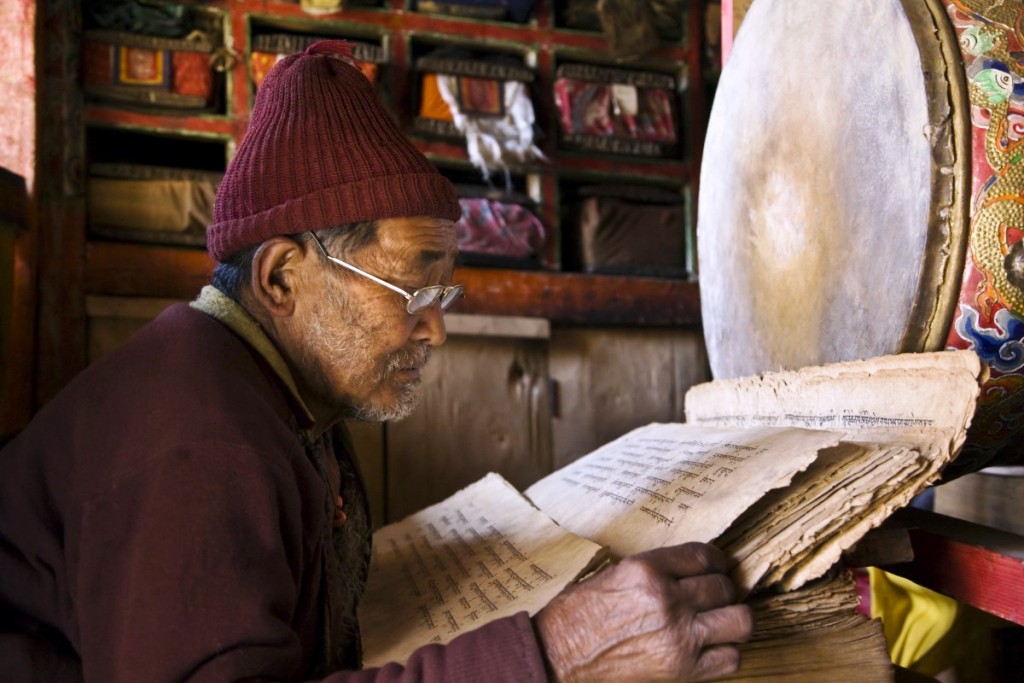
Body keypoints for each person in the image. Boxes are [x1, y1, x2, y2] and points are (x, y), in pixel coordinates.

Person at [0, 41, 751, 682]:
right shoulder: (196, 441)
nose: (435, 329)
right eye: (410, 288)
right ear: (282, 278)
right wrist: (557, 653)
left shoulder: (281, 391)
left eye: (441, 292)